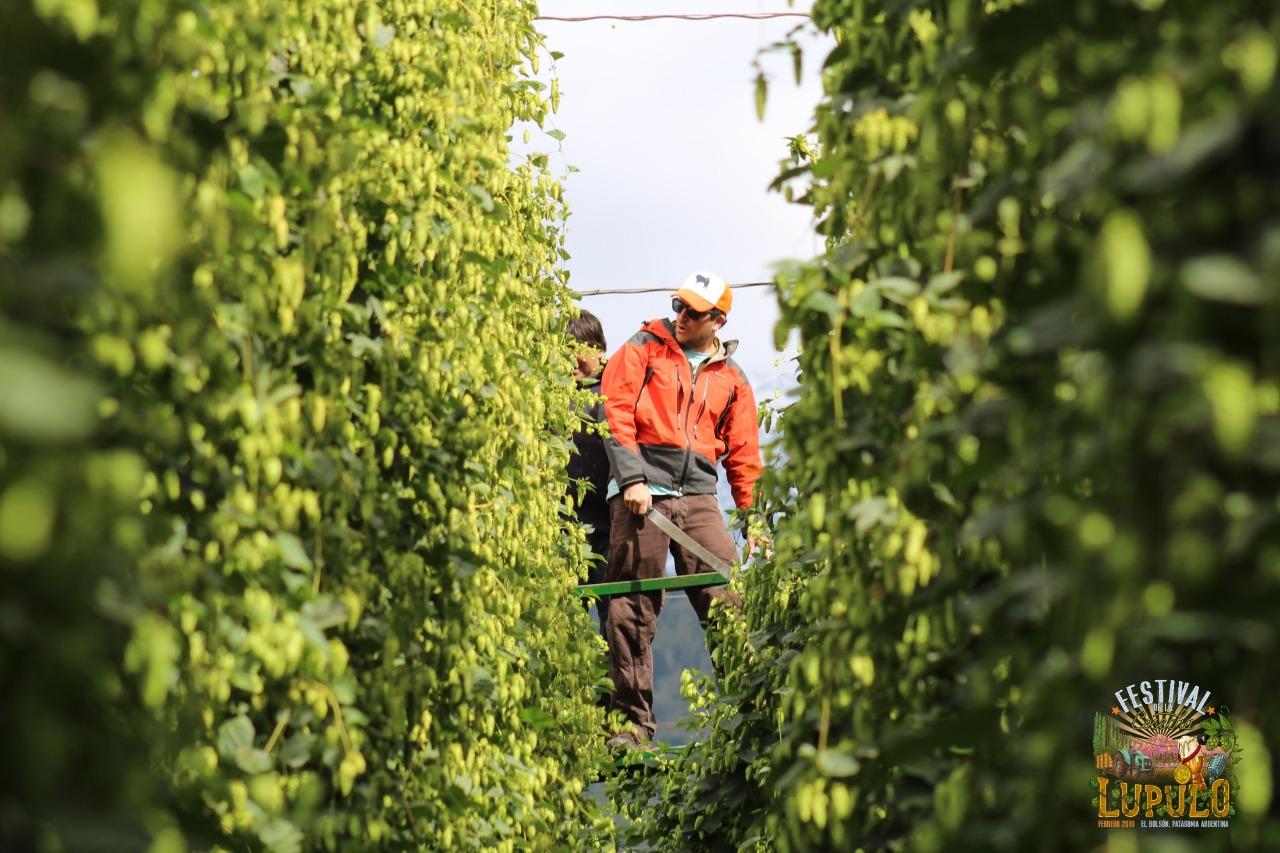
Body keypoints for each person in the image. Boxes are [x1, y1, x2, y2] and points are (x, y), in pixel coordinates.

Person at [600, 271, 763, 748]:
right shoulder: (643, 348)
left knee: (728, 598)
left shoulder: (732, 378)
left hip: (698, 496)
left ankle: (750, 712)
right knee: (631, 607)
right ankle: (631, 726)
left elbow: (744, 455)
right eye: (679, 306)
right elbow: (615, 409)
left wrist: (753, 522)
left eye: (694, 311)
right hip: (641, 492)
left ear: (719, 321)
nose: (683, 316)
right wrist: (631, 478)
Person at [566, 309, 612, 631]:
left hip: (612, 524)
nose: (570, 363)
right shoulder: (554, 393)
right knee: (566, 621)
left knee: (618, 620)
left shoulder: (617, 388)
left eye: (576, 352)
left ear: (598, 349)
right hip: (566, 526)